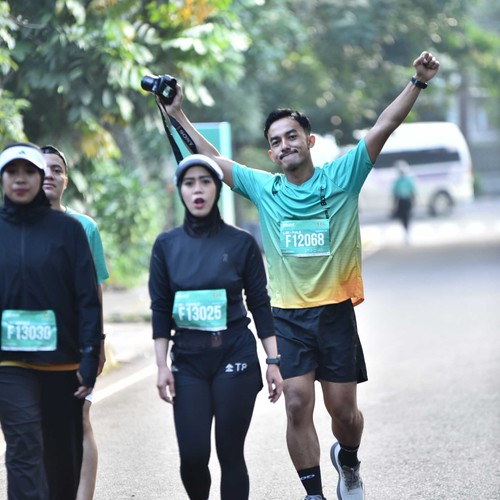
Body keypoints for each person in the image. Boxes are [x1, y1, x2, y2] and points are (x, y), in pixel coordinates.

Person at [155, 51, 440, 500]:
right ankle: (313, 493)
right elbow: (211, 160)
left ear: (309, 141)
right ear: (271, 152)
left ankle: (349, 460)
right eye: (276, 141)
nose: (285, 144)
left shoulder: (343, 177)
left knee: (344, 413)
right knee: (296, 402)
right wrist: (177, 115)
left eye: (292, 136)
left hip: (335, 313)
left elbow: (383, 126)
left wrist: (417, 82)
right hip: (287, 317)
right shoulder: (265, 188)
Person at [149, 154, 283, 500]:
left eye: (205, 182)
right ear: (180, 190)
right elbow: (160, 308)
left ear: (217, 189)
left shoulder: (241, 243)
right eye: (189, 183)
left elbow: (260, 303)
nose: (198, 190)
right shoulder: (166, 246)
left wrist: (273, 360)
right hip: (188, 360)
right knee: (193, 457)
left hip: (234, 355)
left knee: (230, 451)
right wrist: (161, 365)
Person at [0, 142, 101, 499]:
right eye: (12, 172)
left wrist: (90, 354)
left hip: (62, 364)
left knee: (61, 457)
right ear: (3, 179)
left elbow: (87, 298)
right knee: (23, 446)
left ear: (39, 177)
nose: (20, 179)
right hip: (9, 363)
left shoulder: (69, 230)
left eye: (29, 172)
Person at [41, 145, 109, 500]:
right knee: (34, 426)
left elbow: (96, 288)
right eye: (42, 169)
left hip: (75, 343)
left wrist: (98, 341)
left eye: (57, 169)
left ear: (66, 180)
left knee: (79, 419)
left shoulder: (84, 227)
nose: (49, 175)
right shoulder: (12, 225)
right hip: (30, 345)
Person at [391, 160, 417, 243]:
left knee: (407, 216)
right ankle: (406, 231)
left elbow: (413, 192)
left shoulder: (408, 180)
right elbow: (395, 194)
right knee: (401, 217)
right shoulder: (397, 181)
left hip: (407, 200)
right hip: (400, 201)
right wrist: (394, 205)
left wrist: (414, 202)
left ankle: (407, 233)